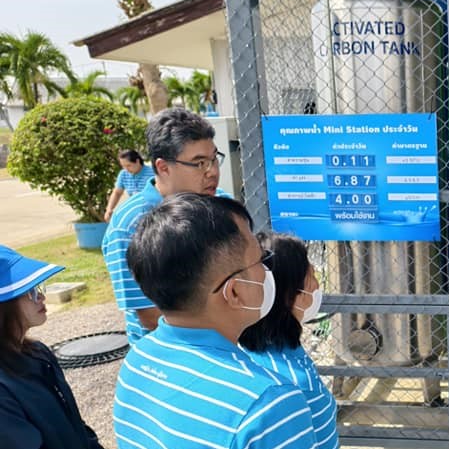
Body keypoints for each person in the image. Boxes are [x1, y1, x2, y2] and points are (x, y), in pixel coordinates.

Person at [114, 193, 317, 448]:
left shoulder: (138, 358)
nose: (267, 271)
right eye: (259, 259)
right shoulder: (269, 405)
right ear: (234, 291)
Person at [102, 108, 228, 345]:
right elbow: (150, 316)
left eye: (214, 159)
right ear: (163, 167)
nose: (212, 171)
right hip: (171, 352)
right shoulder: (129, 226)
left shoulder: (222, 203)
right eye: (199, 163)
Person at [239, 232, 340, 449]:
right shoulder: (300, 385)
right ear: (291, 294)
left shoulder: (243, 352)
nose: (316, 286)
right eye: (311, 275)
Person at [0, 245, 104, 449]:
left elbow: (74, 423)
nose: (42, 297)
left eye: (38, 287)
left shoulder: (38, 353)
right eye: (30, 291)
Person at [104, 149, 156, 222]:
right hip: (135, 213)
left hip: (153, 212)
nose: (126, 169)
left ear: (137, 161)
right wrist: (109, 209)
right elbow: (117, 193)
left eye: (128, 165)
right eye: (123, 166)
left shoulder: (153, 173)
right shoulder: (123, 174)